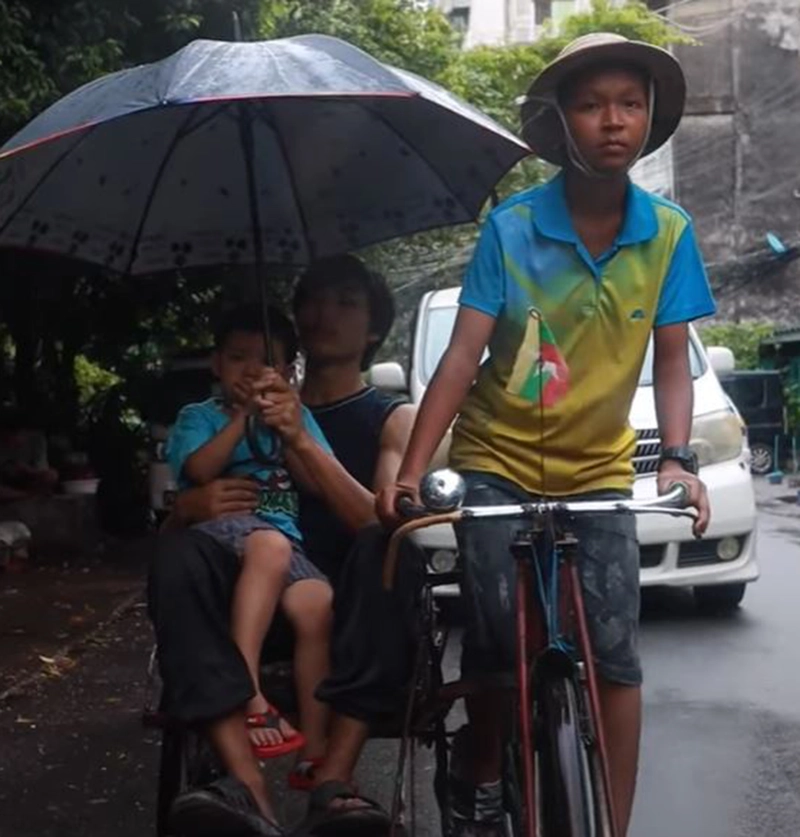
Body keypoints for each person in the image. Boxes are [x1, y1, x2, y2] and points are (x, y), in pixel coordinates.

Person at [377, 33, 714, 837]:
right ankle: (484, 774)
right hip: (496, 462)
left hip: (597, 471)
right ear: (562, 121)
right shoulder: (513, 227)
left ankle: (618, 823)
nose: (613, 121)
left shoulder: (668, 232)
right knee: (494, 635)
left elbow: (671, 360)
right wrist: (413, 471)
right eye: (592, 104)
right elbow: (462, 356)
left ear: (649, 118)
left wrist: (677, 459)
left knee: (617, 652)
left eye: (630, 104)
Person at [149, 255, 419, 837]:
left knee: (392, 546)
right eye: (315, 300)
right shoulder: (218, 414)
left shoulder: (390, 417)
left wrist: (299, 438)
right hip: (238, 596)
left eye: (346, 302)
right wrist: (188, 508)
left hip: (342, 607)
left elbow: (375, 521)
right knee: (175, 554)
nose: (326, 314)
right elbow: (185, 512)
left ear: (374, 327)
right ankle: (246, 789)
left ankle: (332, 780)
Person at [165, 305, 334, 766]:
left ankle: (315, 749)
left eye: (266, 360)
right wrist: (241, 418)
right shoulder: (199, 415)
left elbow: (316, 482)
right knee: (268, 545)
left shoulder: (291, 415)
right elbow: (196, 470)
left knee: (316, 601)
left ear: (284, 370)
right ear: (216, 364)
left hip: (283, 537)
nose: (251, 369)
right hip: (222, 538)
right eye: (238, 357)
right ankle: (251, 697)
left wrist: (290, 429)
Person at [0, 407, 58, 502]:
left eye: (16, 435)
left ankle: (28, 495)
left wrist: (27, 470)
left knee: (52, 475)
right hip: (5, 484)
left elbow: (42, 470)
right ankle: (26, 496)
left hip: (28, 480)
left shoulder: (36, 439)